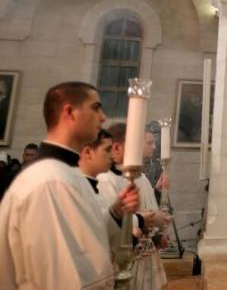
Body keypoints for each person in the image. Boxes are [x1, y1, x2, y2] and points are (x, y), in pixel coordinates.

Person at [0, 81, 140, 289]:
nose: (102, 117)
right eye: (95, 107)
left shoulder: (67, 173)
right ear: (69, 112)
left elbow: (86, 242)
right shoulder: (49, 180)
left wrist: (115, 213)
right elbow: (62, 276)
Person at [98, 123, 170, 290]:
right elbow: (115, 222)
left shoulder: (140, 177)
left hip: (145, 254)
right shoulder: (106, 179)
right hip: (128, 258)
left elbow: (143, 207)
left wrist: (157, 195)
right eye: (148, 143)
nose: (152, 147)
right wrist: (145, 220)